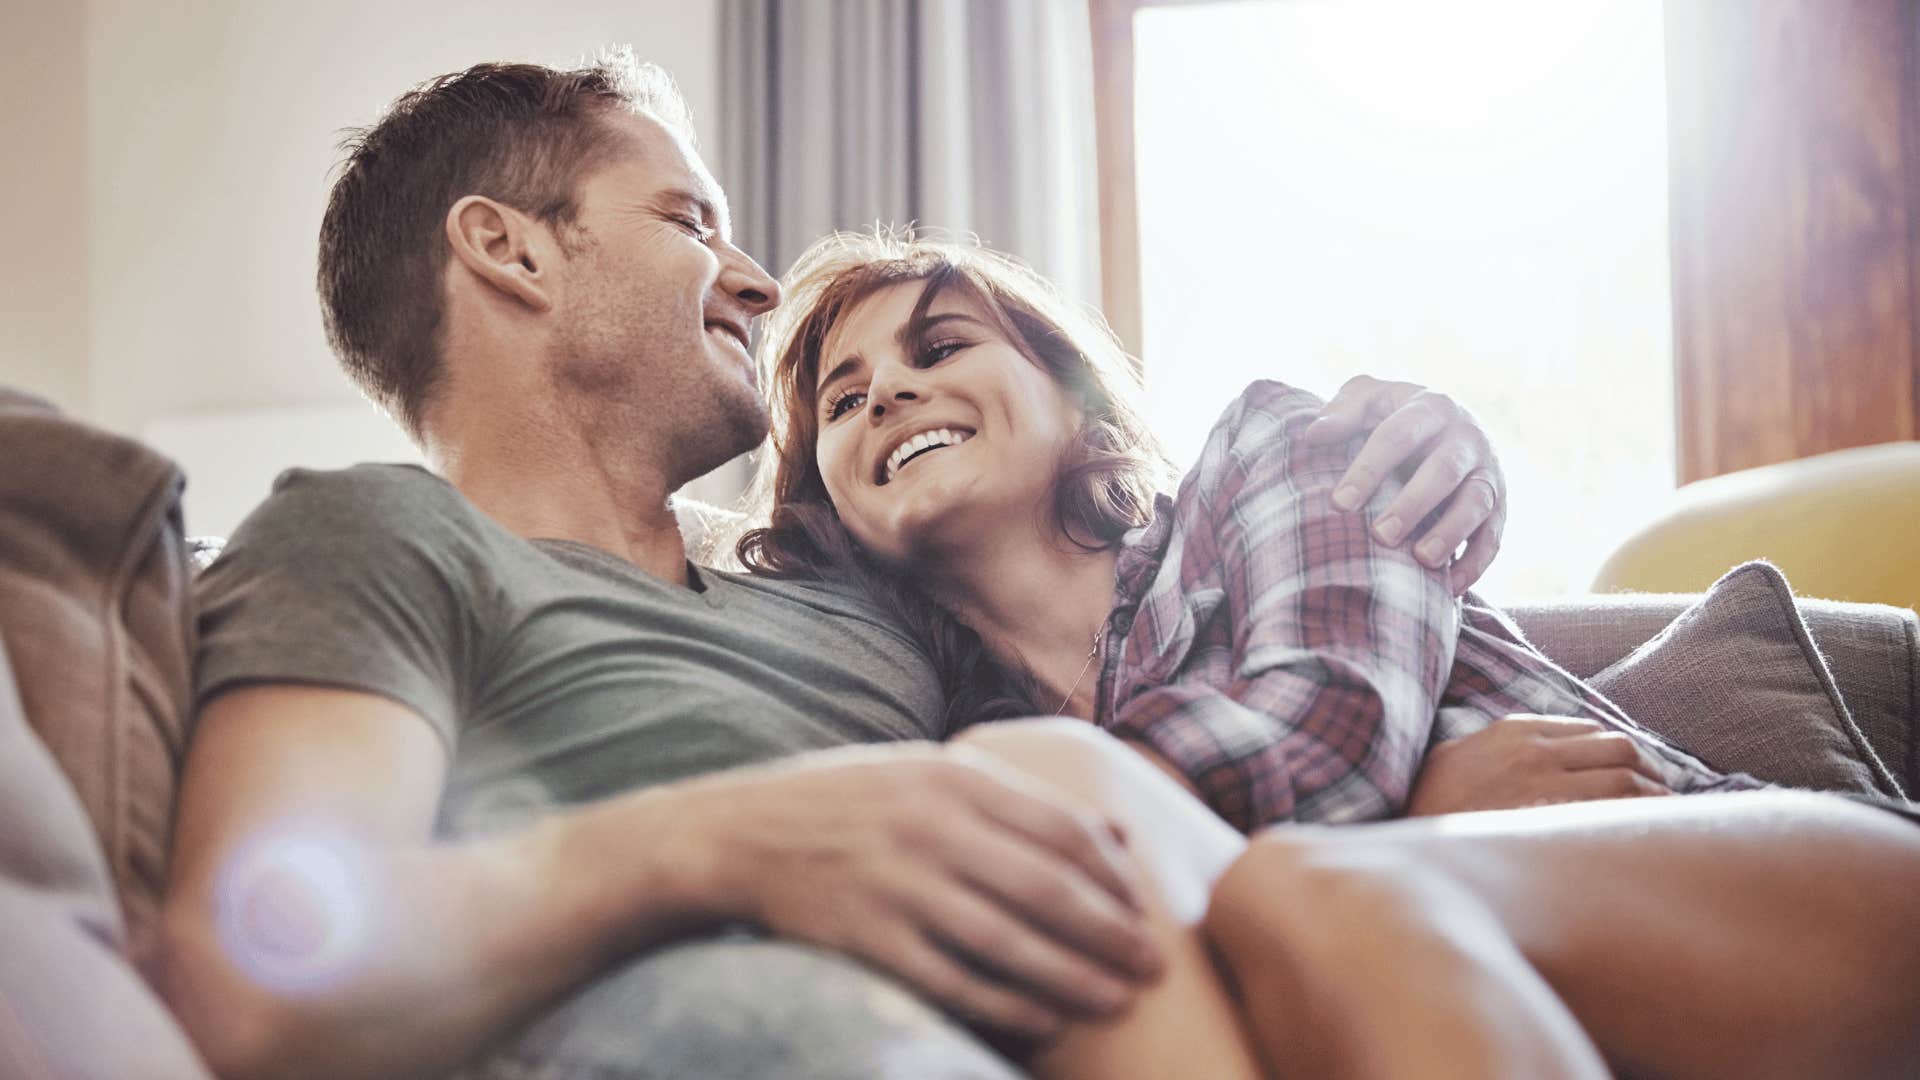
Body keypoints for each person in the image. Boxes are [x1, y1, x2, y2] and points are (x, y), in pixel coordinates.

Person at [154, 53, 1519, 1079]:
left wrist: (1431, 704)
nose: (755, 282)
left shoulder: (866, 603)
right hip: (758, 1033)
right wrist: (715, 843)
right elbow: (249, 977)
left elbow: (1136, 664)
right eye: (690, 219)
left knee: (1342, 915)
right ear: (508, 249)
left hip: (1086, 996)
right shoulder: (376, 537)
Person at [743, 228, 1920, 1077]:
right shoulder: (966, 734)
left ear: (1078, 404)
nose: (890, 392)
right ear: (833, 507)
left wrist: (1389, 815)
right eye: (843, 403)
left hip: (1783, 898)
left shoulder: (1279, 453)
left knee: (1312, 884)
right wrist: (1435, 806)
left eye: (939, 347)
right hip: (1471, 1003)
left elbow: (1330, 741)